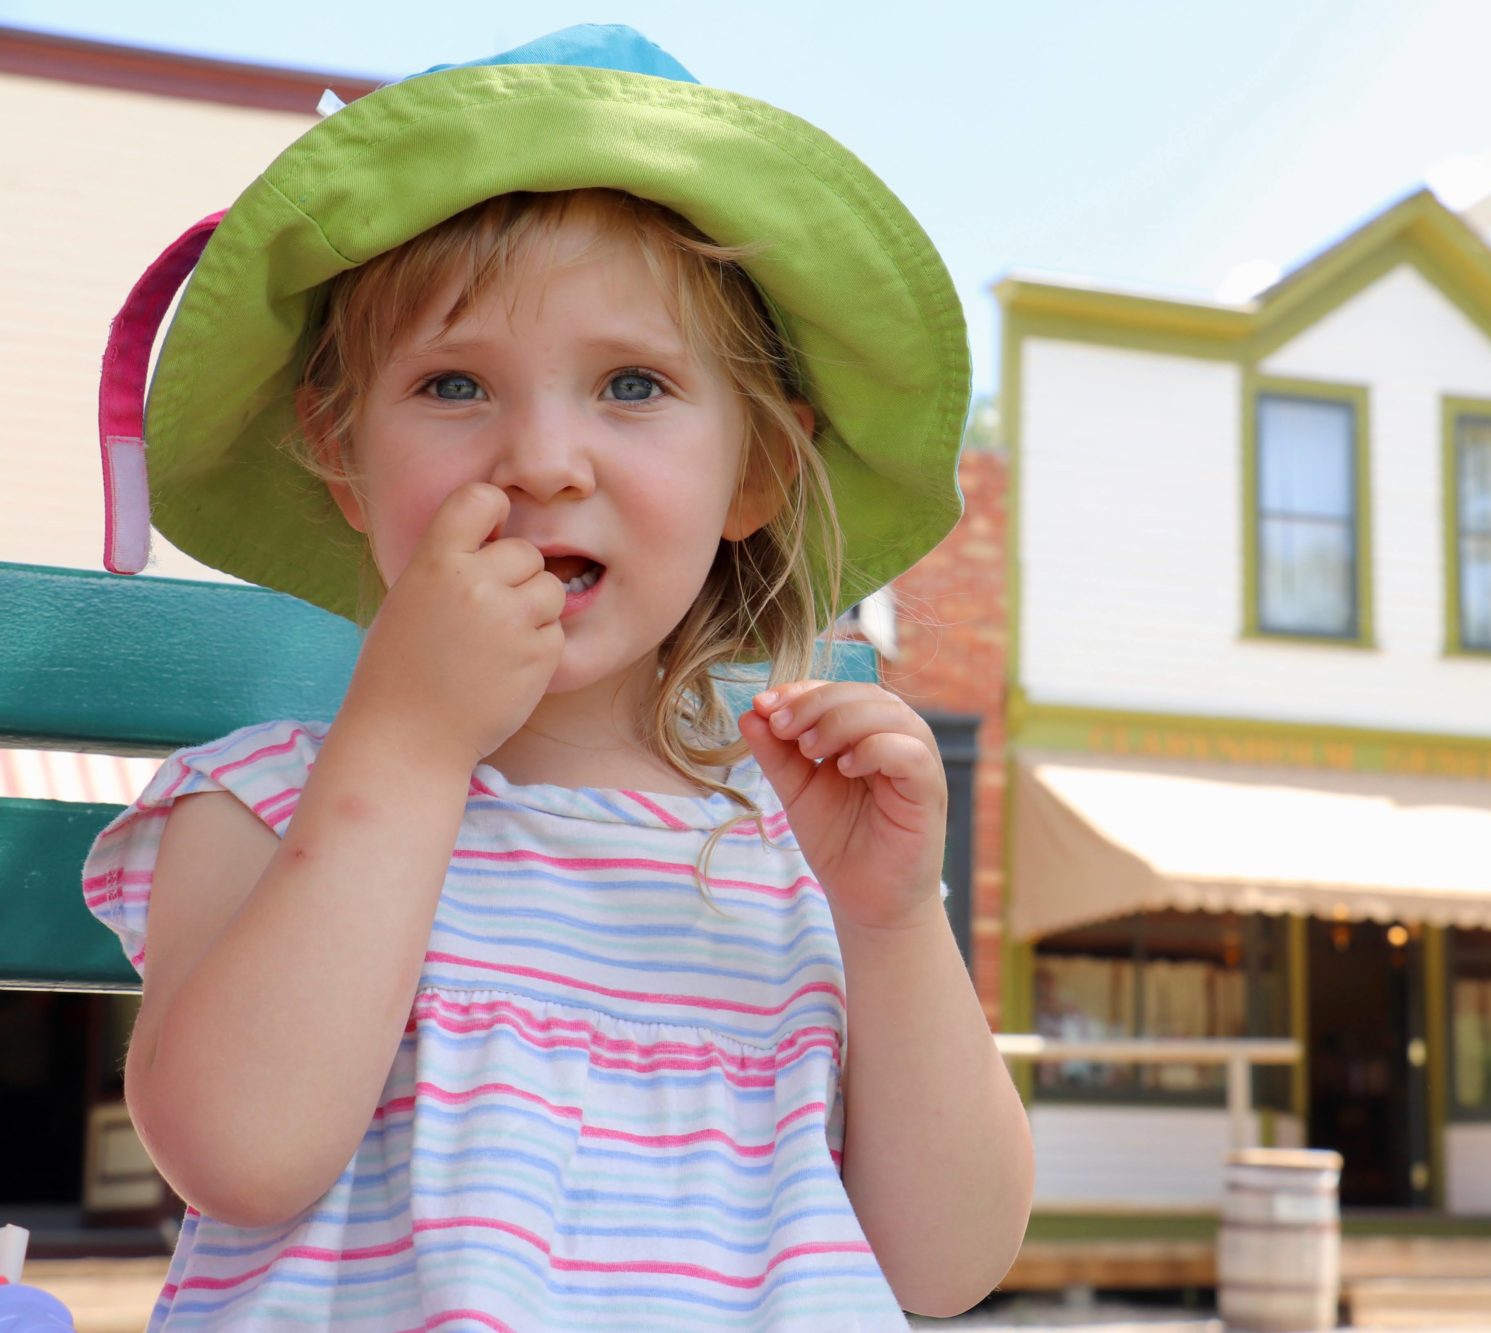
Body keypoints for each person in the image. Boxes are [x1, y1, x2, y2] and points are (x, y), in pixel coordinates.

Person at [77, 26, 1032, 1328]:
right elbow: (239, 1155)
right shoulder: (261, 806)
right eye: (454, 382)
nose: (541, 457)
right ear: (343, 453)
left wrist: (889, 922)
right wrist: (409, 747)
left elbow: (946, 1262)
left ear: (753, 468)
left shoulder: (797, 852)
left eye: (631, 384)